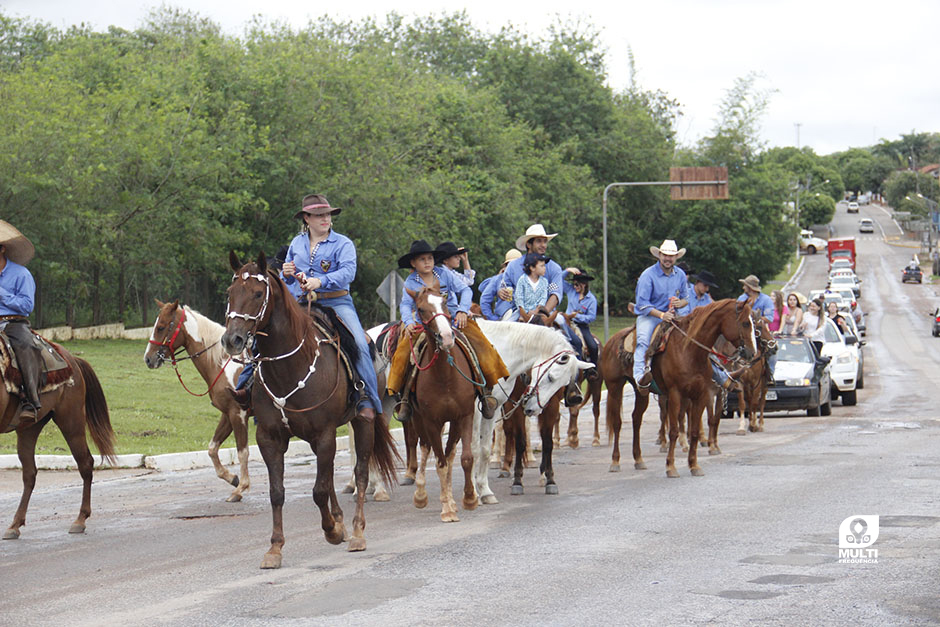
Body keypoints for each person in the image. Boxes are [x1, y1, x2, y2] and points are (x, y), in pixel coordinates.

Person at [233, 193, 384, 422]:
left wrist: (320, 281)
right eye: (318, 215)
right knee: (266, 337)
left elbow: (348, 273)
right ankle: (248, 388)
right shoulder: (297, 243)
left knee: (359, 343)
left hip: (336, 302)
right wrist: (287, 274)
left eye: (327, 214)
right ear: (306, 218)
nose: (325, 219)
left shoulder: (343, 243)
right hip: (301, 303)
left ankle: (366, 398)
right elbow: (290, 280)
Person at [386, 240, 509, 421]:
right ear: (413, 263)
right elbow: (405, 304)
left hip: (453, 318)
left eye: (430, 258)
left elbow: (465, 291)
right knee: (403, 352)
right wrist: (408, 321)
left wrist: (461, 310)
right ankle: (403, 397)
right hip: (425, 324)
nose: (427, 262)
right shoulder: (411, 282)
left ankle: (486, 390)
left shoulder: (444, 274)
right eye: (422, 259)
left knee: (480, 342)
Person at [633, 239, 690, 392]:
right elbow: (642, 304)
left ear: (676, 258)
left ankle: (719, 376)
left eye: (671, 256)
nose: (668, 259)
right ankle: (639, 377)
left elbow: (686, 298)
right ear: (659, 255)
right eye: (665, 255)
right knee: (643, 341)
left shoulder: (680, 275)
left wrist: (680, 303)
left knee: (693, 338)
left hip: (673, 316)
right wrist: (661, 315)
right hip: (650, 316)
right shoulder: (648, 275)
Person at [0, 221, 42, 426]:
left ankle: (30, 401)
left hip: (12, 323)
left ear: (2, 249)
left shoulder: (21, 274)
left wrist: (2, 294)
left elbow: (26, 305)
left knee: (25, 345)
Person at [497, 224, 566, 314]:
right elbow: (505, 286)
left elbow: (555, 293)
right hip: (519, 312)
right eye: (539, 241)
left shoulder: (554, 268)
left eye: (545, 241)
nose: (543, 245)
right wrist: (501, 292)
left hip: (545, 313)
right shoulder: (513, 266)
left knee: (563, 323)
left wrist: (542, 313)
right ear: (529, 244)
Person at [560, 268, 599, 366]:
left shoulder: (591, 300)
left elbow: (591, 317)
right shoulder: (570, 290)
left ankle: (593, 369)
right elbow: (558, 280)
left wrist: (577, 316)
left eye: (577, 284)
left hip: (581, 326)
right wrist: (567, 270)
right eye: (574, 284)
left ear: (584, 284)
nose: (575, 286)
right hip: (566, 323)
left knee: (593, 346)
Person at [479, 249, 522, 321]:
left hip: (522, 316)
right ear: (505, 266)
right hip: (503, 318)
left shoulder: (526, 279)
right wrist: (492, 318)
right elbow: (484, 296)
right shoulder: (498, 279)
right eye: (510, 264)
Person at [513, 252, 550, 320]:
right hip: (522, 312)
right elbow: (519, 297)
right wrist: (525, 312)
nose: (544, 268)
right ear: (532, 268)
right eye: (542, 266)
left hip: (538, 312)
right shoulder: (522, 280)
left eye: (544, 265)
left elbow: (543, 298)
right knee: (510, 322)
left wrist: (536, 310)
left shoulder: (544, 282)